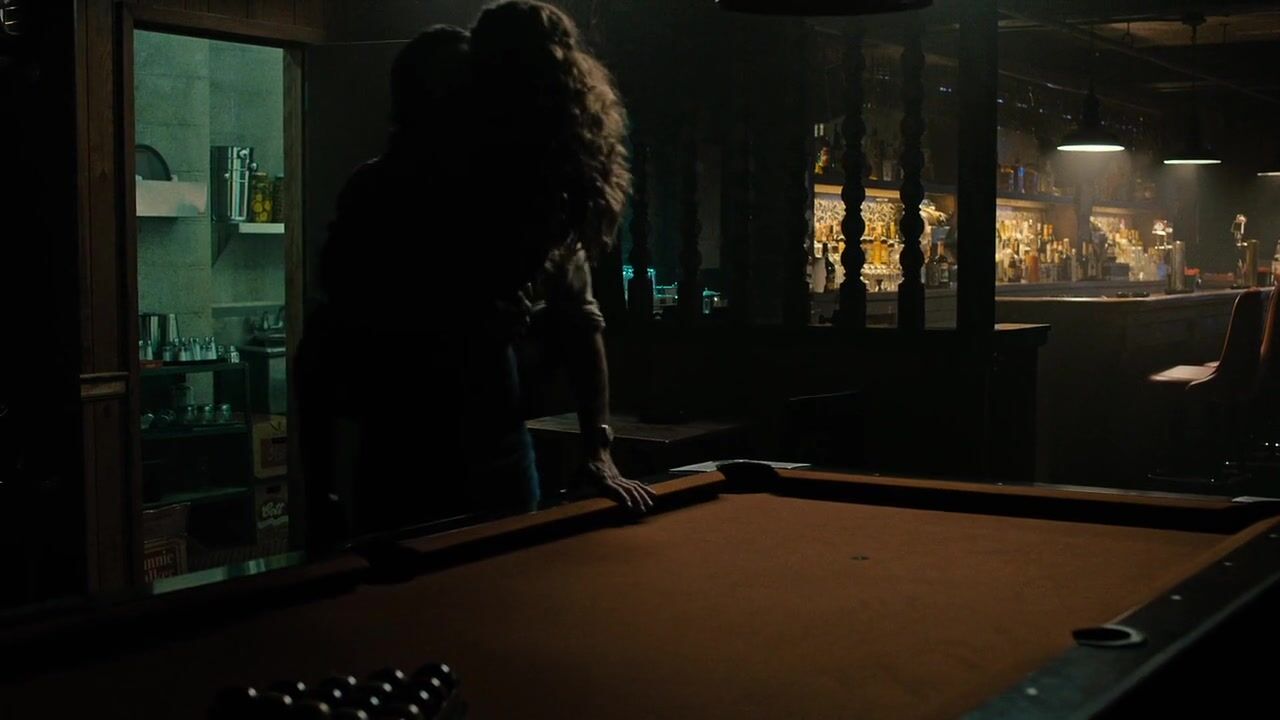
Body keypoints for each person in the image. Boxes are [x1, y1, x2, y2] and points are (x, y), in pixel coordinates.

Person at [303, 4, 652, 550]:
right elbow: (326, 344)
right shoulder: (383, 195)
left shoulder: (511, 188)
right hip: (407, 455)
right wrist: (320, 488)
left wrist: (597, 449)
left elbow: (578, 322)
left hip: (489, 450)